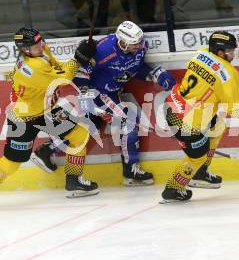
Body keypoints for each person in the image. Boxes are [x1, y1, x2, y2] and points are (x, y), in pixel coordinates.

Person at [0, 27, 98, 213]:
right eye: (35, 45)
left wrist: (80, 57)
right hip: (22, 118)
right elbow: (63, 78)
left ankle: (73, 180)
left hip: (46, 111)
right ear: (24, 49)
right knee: (12, 163)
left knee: (79, 135)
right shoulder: (31, 68)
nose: (40, 46)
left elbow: (58, 67)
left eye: (40, 41)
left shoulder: (40, 52)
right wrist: (78, 58)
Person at [33, 20, 176, 186]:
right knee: (127, 122)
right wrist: (87, 94)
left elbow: (134, 67)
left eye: (140, 42)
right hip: (97, 93)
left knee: (88, 129)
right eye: (134, 44)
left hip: (112, 93)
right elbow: (80, 72)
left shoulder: (140, 47)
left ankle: (47, 149)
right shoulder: (104, 50)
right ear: (122, 43)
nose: (139, 46)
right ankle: (130, 170)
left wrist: (154, 74)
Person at [160, 31, 239, 203]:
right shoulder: (228, 74)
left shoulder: (201, 53)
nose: (233, 54)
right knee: (197, 157)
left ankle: (201, 172)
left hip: (173, 104)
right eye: (230, 51)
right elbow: (234, 106)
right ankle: (173, 189)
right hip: (185, 121)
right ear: (220, 52)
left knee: (217, 126)